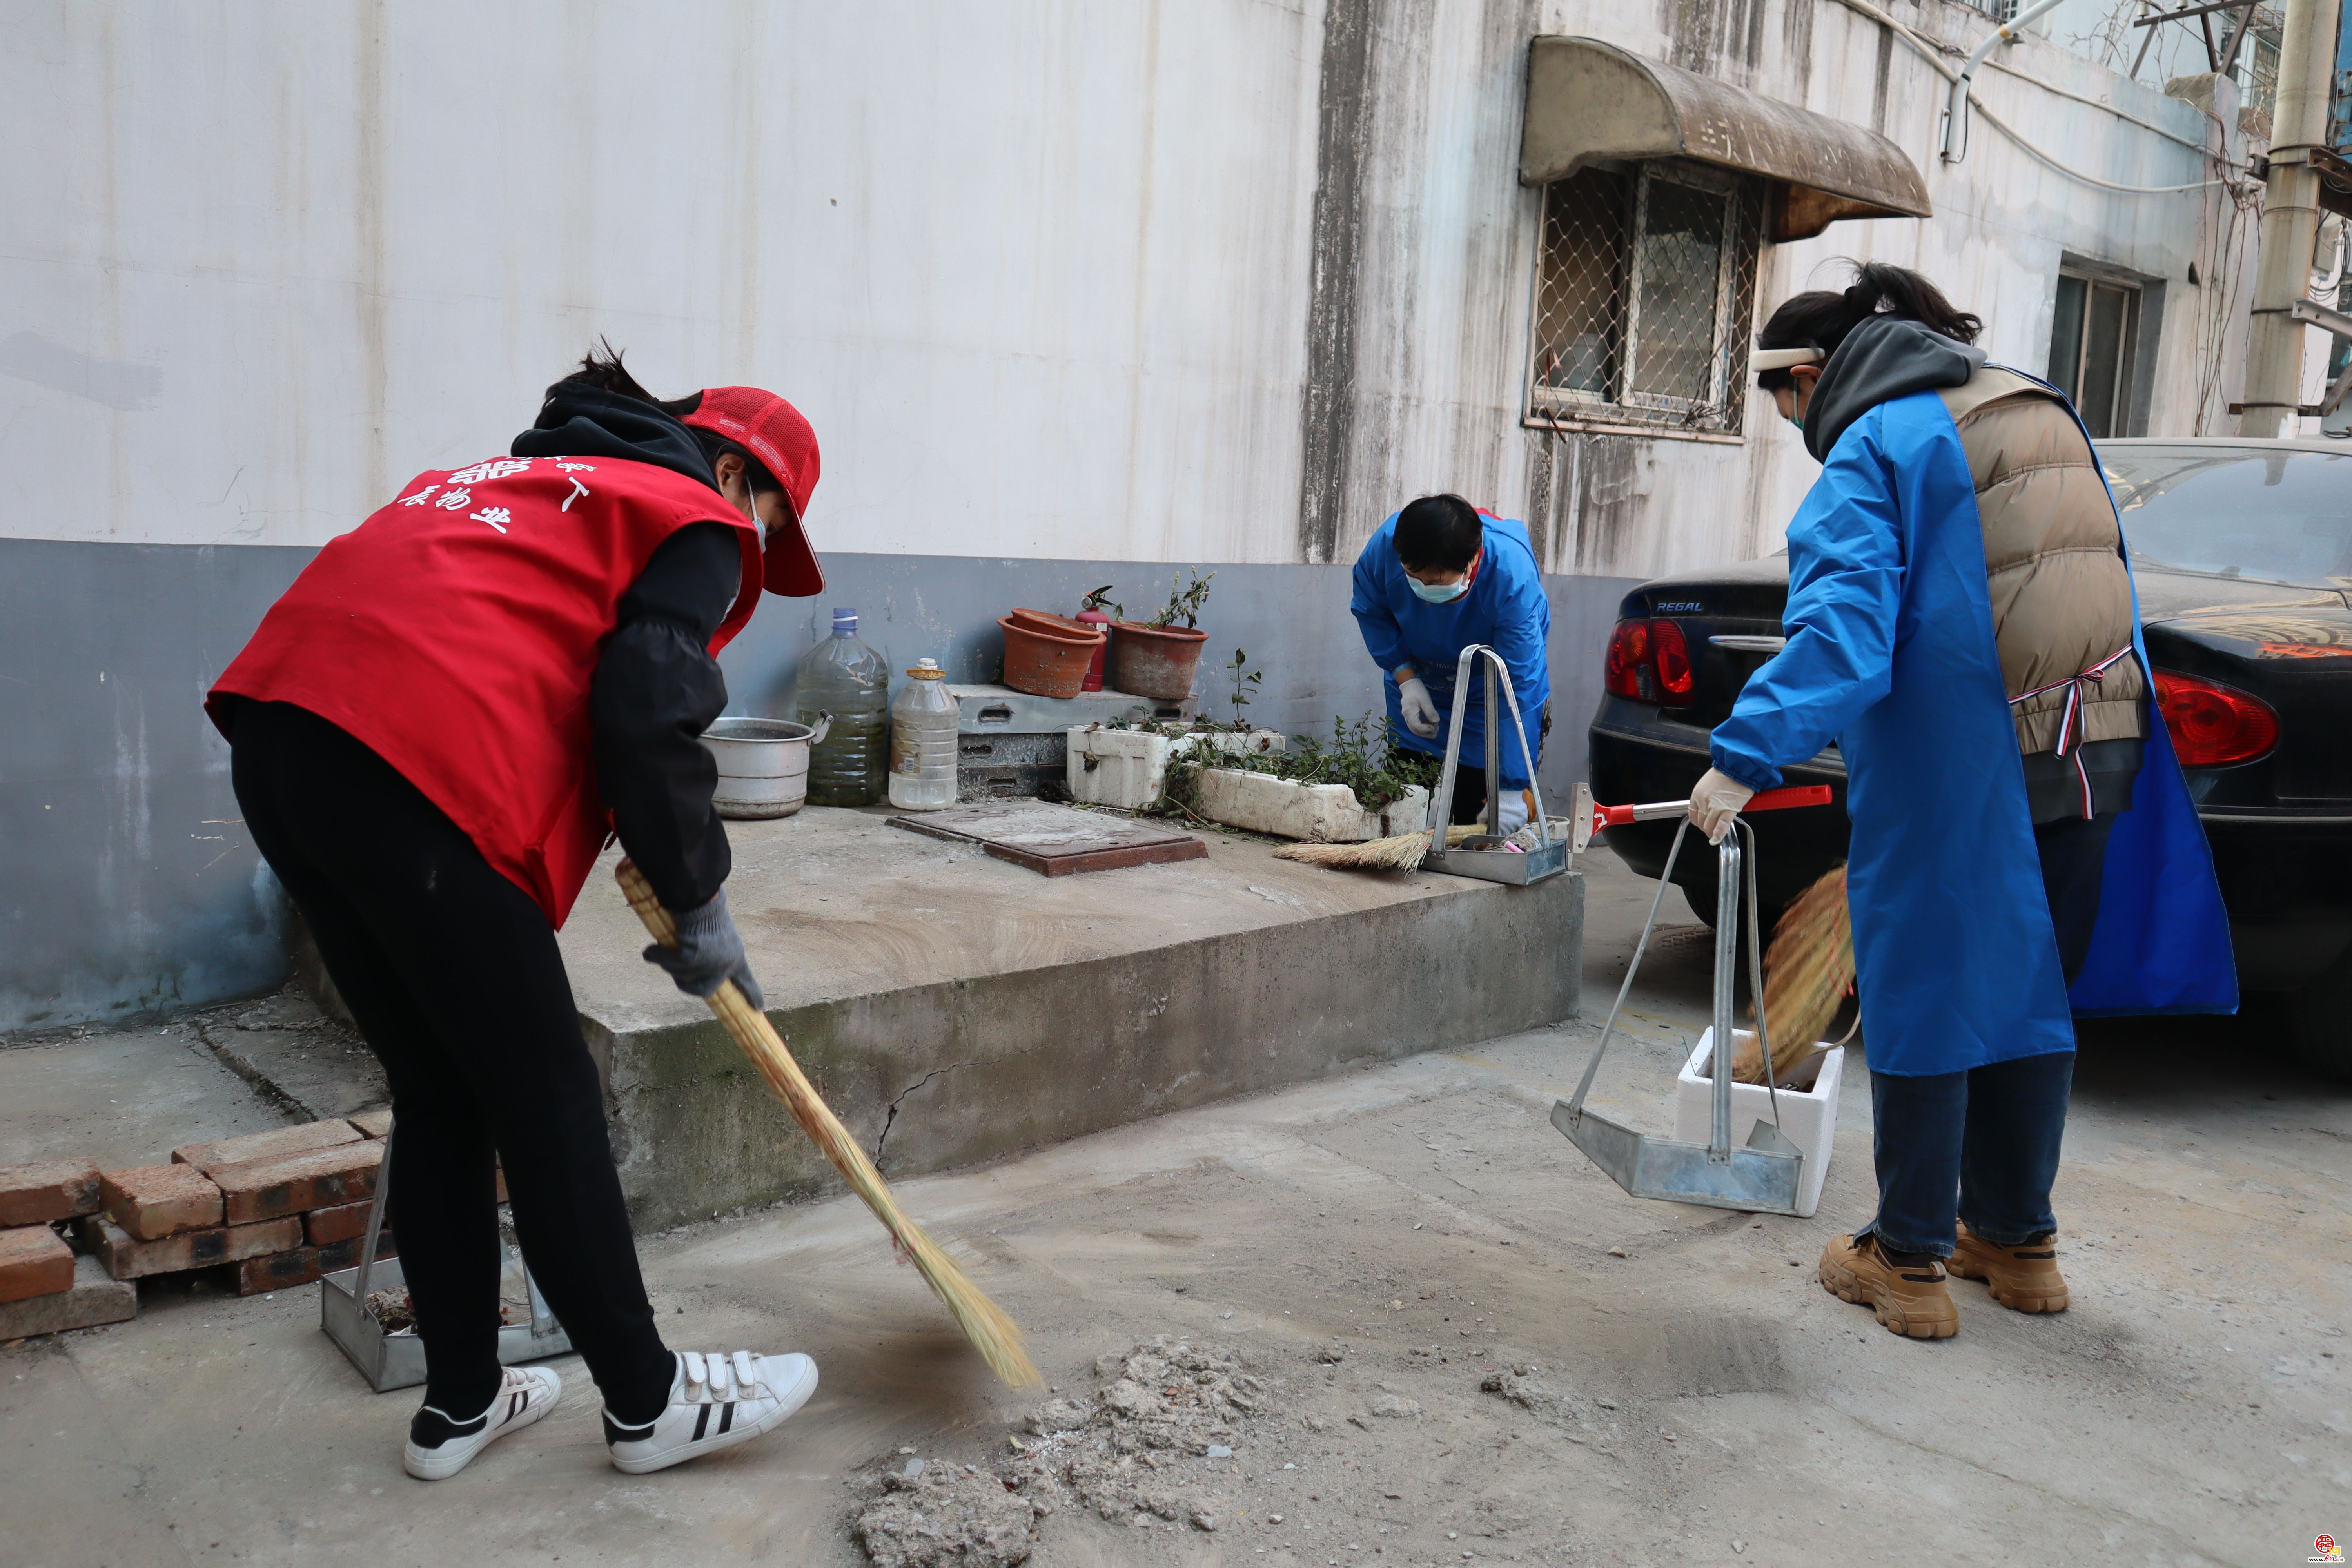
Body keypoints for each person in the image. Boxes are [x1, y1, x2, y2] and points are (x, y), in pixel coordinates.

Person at [207, 348, 830, 1478]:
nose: (754, 548)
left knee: (443, 1088)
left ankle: (461, 1401)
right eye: (770, 520)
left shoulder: (509, 480)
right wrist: (700, 902)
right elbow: (647, 703)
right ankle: (647, 1404)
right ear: (739, 475)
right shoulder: (690, 510)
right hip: (410, 767)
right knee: (544, 1090)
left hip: (282, 739)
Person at [1688, 263, 2234, 1338]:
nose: (1798, 423)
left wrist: (1744, 755)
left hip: (1970, 761)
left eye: (1786, 403)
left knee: (1925, 989)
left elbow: (1844, 634)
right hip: (2099, 745)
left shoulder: (1878, 444)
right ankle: (2018, 1242)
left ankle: (1907, 1260)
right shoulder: (2031, 404)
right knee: (2031, 989)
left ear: (1811, 376)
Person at [1351, 494, 1552, 828]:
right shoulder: (1389, 545)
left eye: (1438, 582)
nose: (1424, 589)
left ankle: (1519, 801)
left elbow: (1519, 685)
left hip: (1486, 696)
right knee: (1407, 800)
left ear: (1473, 560)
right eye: (1415, 577)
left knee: (1469, 816)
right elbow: (1371, 610)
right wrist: (1407, 679)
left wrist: (1511, 788)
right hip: (1420, 674)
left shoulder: (1510, 577)